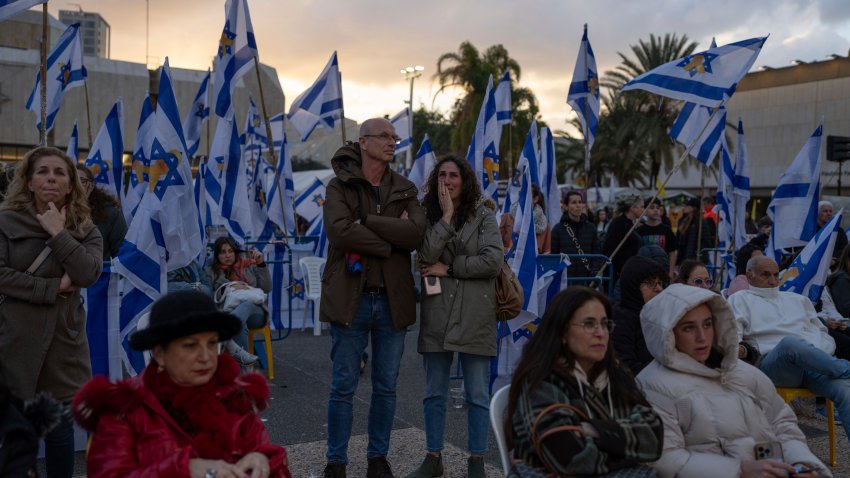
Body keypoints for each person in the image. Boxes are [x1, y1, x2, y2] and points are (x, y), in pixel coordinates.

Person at [72, 290, 291, 478]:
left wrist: (263, 461)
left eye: (211, 343)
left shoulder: (234, 397)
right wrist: (183, 469)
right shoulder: (125, 408)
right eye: (190, 346)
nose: (206, 357)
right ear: (159, 354)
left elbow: (268, 453)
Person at [320, 118, 427, 478]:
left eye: (394, 137)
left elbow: (415, 235)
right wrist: (387, 241)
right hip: (352, 297)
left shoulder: (406, 187)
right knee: (343, 386)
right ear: (363, 142)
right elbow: (338, 232)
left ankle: (377, 458)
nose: (393, 142)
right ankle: (336, 461)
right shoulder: (339, 185)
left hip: (393, 300)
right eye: (385, 136)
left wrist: (366, 221)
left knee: (385, 387)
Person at [637, 284, 830, 477]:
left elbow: (783, 424)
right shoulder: (652, 387)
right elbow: (664, 459)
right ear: (668, 333)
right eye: (689, 328)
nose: (702, 337)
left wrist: (802, 465)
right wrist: (738, 471)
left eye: (707, 324)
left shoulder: (745, 373)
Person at [0, 146, 103, 478]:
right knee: (17, 433)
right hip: (14, 341)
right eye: (43, 171)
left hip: (64, 344)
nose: (51, 178)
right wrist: (51, 288)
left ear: (71, 184)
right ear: (28, 181)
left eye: (60, 173)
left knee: (60, 433)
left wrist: (59, 232)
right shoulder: (5, 221)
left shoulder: (86, 229)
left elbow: (87, 273)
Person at [407, 156, 503, 478]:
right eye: (442, 175)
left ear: (465, 180)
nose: (447, 181)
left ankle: (476, 460)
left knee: (477, 395)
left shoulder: (485, 215)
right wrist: (446, 217)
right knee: (434, 392)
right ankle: (433, 457)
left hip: (476, 314)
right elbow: (424, 258)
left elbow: (492, 261)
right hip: (438, 314)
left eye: (454, 175)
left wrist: (449, 269)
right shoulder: (427, 215)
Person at [506, 286, 663, 477]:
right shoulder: (540, 382)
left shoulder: (614, 374)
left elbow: (654, 437)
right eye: (589, 324)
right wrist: (627, 448)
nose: (601, 333)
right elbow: (572, 460)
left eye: (605, 324)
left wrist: (593, 430)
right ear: (562, 332)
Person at [728, 255, 850, 441]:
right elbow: (733, 338)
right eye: (765, 275)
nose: (772, 281)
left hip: (813, 364)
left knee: (846, 392)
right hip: (774, 365)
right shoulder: (739, 299)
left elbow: (823, 333)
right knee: (789, 343)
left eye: (776, 275)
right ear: (749, 276)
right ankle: (845, 368)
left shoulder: (798, 300)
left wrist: (819, 353)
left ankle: (842, 370)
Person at [206, 236, 269, 367]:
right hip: (227, 312)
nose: (228, 255)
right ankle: (243, 373)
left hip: (255, 313)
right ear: (217, 255)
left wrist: (261, 264)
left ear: (235, 252)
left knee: (246, 304)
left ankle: (224, 335)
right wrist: (229, 288)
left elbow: (267, 288)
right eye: (223, 252)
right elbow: (209, 296)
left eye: (230, 251)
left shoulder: (249, 265)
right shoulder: (211, 271)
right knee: (240, 326)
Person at [610, 256, 668, 376]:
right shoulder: (620, 320)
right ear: (633, 286)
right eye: (651, 283)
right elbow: (625, 366)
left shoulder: (663, 315)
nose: (659, 289)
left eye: (660, 283)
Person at [76, 164, 127, 261]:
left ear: (91, 186)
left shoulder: (110, 214)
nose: (76, 185)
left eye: (81, 181)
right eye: (72, 180)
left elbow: (121, 254)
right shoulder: (54, 212)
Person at [551, 190, 600, 284]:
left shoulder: (591, 228)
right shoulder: (558, 229)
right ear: (566, 206)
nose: (578, 205)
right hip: (565, 280)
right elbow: (553, 255)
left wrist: (594, 272)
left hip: (586, 279)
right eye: (574, 202)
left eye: (580, 202)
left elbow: (596, 252)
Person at [603, 195, 645, 282]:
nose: (643, 210)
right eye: (642, 207)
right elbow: (611, 247)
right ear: (633, 208)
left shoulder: (629, 223)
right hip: (618, 273)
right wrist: (620, 269)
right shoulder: (619, 223)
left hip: (628, 269)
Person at [637, 198, 678, 278]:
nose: (655, 210)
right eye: (652, 208)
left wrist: (671, 271)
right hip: (644, 271)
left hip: (663, 271)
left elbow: (672, 253)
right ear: (645, 211)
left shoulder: (667, 230)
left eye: (657, 208)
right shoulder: (639, 231)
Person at [676, 197, 715, 265]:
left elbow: (706, 242)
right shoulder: (684, 221)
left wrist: (699, 255)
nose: (684, 207)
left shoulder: (701, 222)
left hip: (695, 259)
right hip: (683, 258)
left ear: (694, 208)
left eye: (687, 205)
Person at [819, 201, 847, 267]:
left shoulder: (839, 231)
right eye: (825, 211)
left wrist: (834, 259)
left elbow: (844, 249)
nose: (828, 214)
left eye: (830, 211)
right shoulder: (811, 231)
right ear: (818, 213)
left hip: (834, 267)